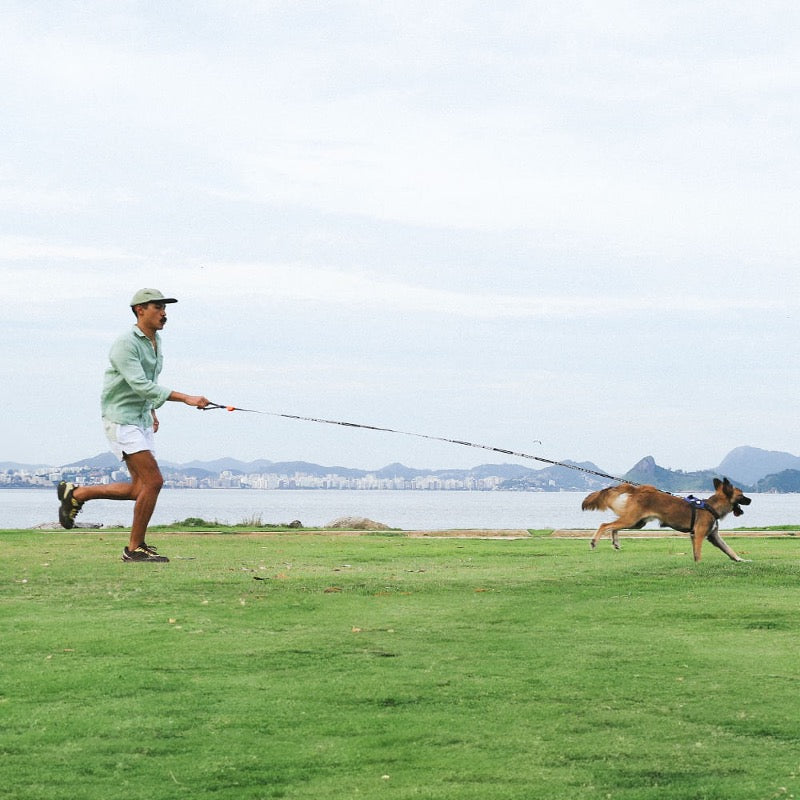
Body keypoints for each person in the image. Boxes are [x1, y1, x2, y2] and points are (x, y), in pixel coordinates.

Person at [57, 288, 210, 562]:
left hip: (140, 419)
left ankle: (78, 494)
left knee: (139, 489)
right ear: (140, 310)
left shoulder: (155, 341)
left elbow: (147, 384)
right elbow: (140, 384)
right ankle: (134, 548)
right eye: (158, 307)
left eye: (164, 308)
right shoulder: (125, 343)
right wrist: (187, 398)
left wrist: (151, 411)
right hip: (121, 419)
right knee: (154, 481)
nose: (164, 313)